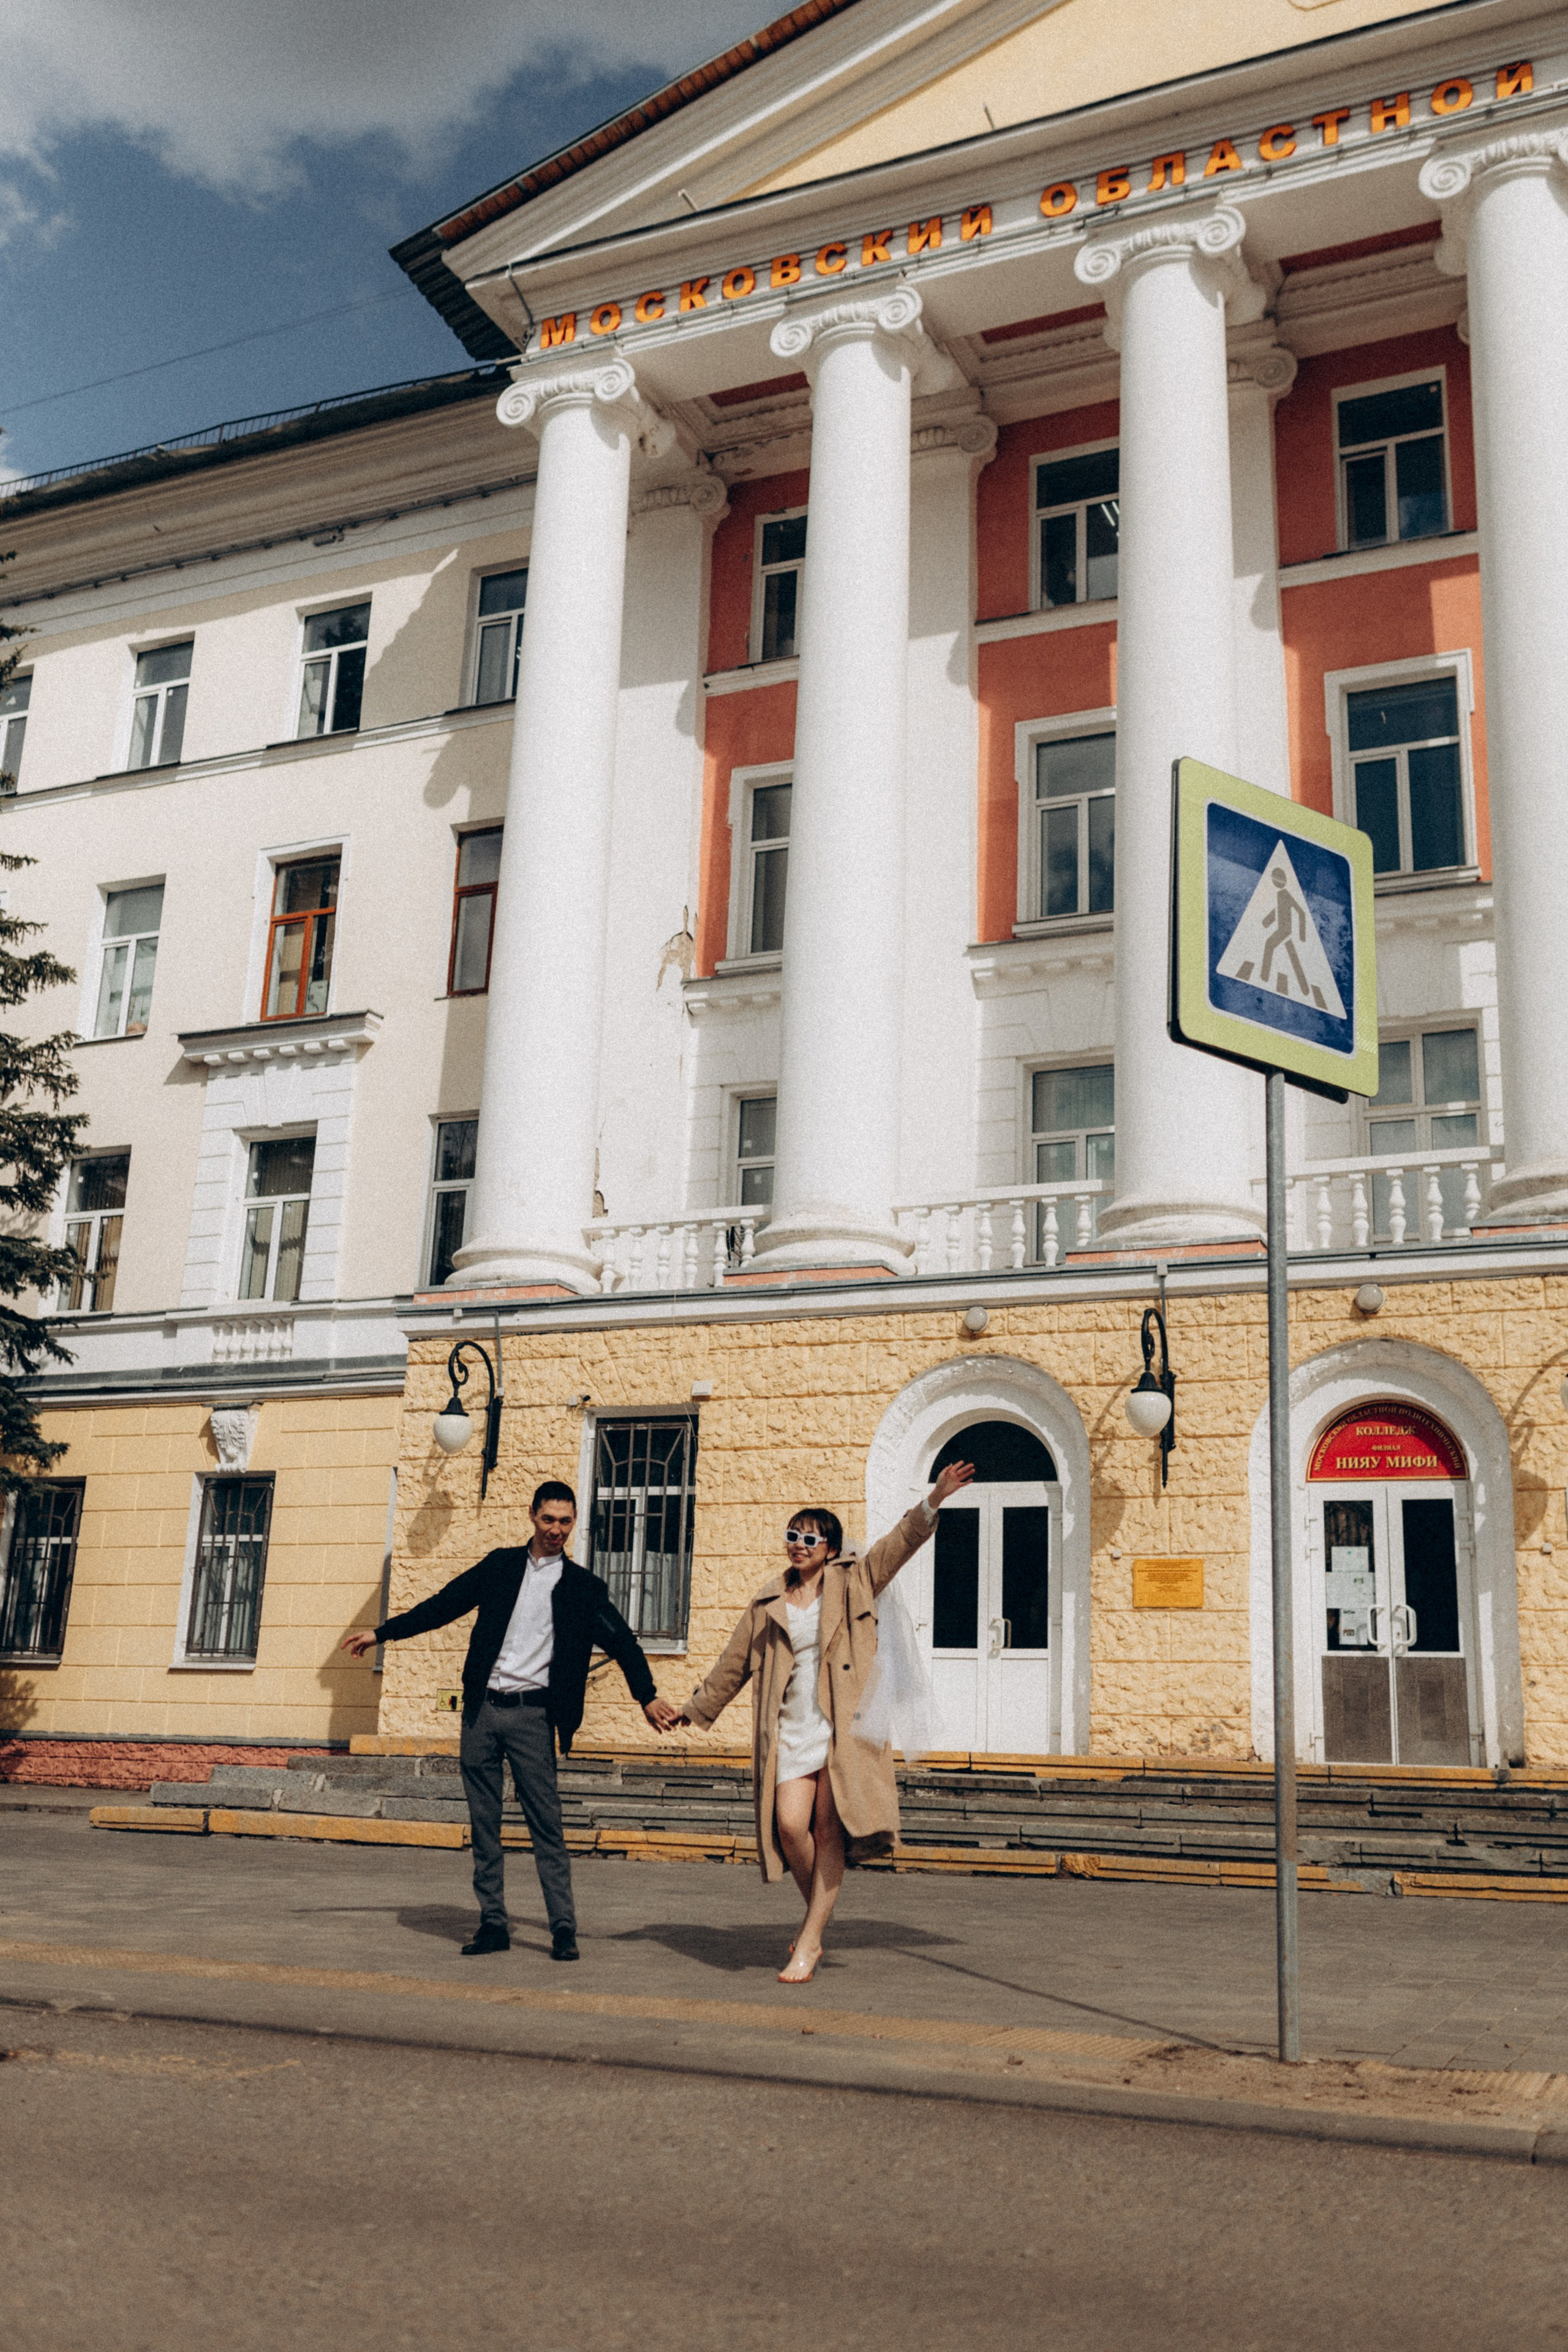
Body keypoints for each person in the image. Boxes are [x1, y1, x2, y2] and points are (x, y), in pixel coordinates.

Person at [341, 1480, 680, 1959]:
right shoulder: (500, 1566)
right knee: (484, 1824)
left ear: (573, 1523)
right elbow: (443, 1605)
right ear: (532, 1516)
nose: (557, 1530)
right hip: (482, 1712)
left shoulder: (583, 1588)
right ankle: (493, 1924)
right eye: (549, 1520)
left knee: (547, 1824)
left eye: (566, 1521)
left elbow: (623, 1643)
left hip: (534, 1717)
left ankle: (563, 1929)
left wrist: (646, 1697)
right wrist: (381, 1633)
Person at [676, 1459, 975, 1983]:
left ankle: (809, 1942)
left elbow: (899, 1542)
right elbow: (732, 1665)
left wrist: (935, 1499)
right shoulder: (768, 1601)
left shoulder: (855, 1579)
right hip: (790, 1729)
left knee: (827, 1831)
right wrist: (695, 1709)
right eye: (793, 1535)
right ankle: (819, 1915)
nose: (799, 1544)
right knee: (791, 1828)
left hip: (842, 1730)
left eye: (811, 1538)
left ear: (831, 1550)